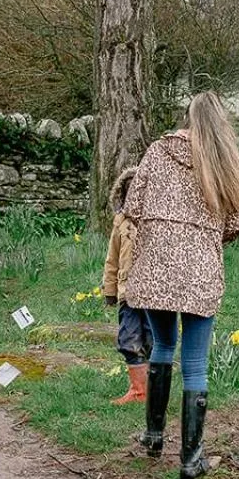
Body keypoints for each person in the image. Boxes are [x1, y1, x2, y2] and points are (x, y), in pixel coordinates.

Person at [123, 92, 239, 479]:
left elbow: (132, 205)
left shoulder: (158, 151)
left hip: (156, 270)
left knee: (163, 347)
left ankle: (154, 437)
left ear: (186, 117)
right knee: (196, 365)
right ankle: (190, 461)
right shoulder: (223, 159)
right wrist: (208, 239)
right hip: (200, 275)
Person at [102, 164, 152, 404]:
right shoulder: (120, 223)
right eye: (129, 192)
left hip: (155, 295)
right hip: (128, 294)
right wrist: (110, 290)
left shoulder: (158, 223)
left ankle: (155, 390)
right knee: (129, 339)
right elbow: (112, 259)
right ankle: (138, 391)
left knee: (154, 340)